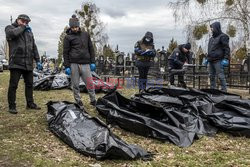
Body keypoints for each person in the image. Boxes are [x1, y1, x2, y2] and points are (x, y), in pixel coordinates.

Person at [5, 14, 42, 114]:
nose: (25, 23)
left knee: (29, 84)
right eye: (23, 21)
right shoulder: (10, 28)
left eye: (27, 22)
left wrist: (38, 60)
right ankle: (12, 106)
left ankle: (30, 104)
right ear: (18, 20)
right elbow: (12, 34)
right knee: (13, 85)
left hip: (28, 63)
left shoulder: (29, 32)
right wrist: (22, 27)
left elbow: (33, 46)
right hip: (16, 62)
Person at [63, 15, 96, 107]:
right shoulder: (68, 37)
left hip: (86, 63)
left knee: (90, 83)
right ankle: (78, 101)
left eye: (76, 27)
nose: (74, 29)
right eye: (72, 27)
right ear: (70, 27)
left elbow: (91, 48)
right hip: (74, 64)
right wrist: (67, 66)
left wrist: (93, 61)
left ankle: (93, 100)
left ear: (78, 26)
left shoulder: (85, 35)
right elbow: (65, 53)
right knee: (75, 84)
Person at [207, 21, 230, 92]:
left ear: (216, 28)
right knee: (211, 76)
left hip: (218, 60)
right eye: (211, 28)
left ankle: (224, 90)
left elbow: (226, 48)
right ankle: (213, 89)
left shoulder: (223, 37)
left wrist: (226, 58)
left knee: (220, 76)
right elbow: (210, 49)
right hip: (211, 60)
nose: (211, 29)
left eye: (212, 28)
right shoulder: (211, 39)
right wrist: (207, 58)